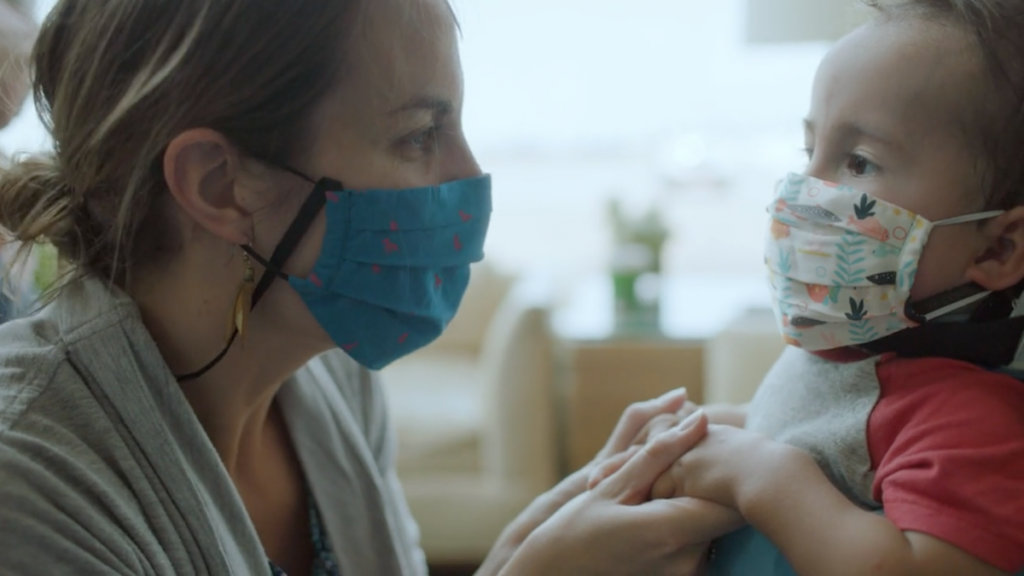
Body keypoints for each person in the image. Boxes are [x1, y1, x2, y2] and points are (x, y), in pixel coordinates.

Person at [0, 1, 741, 574]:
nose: (469, 176)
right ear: (218, 185)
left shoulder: (328, 373)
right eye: (419, 135)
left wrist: (527, 549)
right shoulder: (29, 479)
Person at [591, 0, 1024, 574]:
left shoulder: (972, 425)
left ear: (997, 248)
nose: (803, 188)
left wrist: (762, 474)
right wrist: (710, 433)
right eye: (808, 149)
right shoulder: (851, 353)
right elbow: (819, 433)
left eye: (860, 162)